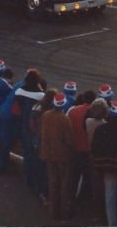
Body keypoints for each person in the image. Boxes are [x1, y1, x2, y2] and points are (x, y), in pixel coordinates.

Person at [91, 101, 117, 227]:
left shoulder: (101, 129)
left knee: (109, 195)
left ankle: (112, 223)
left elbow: (95, 148)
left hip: (107, 168)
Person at [38, 92, 76, 220]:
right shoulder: (65, 120)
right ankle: (65, 212)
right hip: (62, 156)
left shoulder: (45, 115)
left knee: (53, 183)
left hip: (48, 154)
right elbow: (70, 140)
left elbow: (41, 133)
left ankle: (53, 211)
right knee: (64, 184)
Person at [14, 68, 45, 189]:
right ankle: (34, 179)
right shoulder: (41, 95)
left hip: (23, 124)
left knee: (27, 151)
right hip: (35, 127)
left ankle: (27, 175)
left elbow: (16, 110)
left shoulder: (19, 92)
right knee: (36, 153)